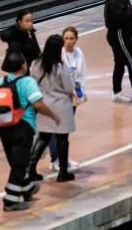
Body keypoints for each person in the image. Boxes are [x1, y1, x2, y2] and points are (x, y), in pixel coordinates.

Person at [0, 51, 60, 212]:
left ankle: (27, 188)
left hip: (3, 127)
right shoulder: (28, 82)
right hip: (22, 126)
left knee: (16, 161)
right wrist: (54, 116)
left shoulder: (1, 81)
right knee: (20, 164)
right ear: (23, 65)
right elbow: (38, 105)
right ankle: (10, 200)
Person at [27, 35, 76, 183]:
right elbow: (68, 87)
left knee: (43, 138)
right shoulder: (61, 67)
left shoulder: (35, 64)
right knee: (62, 140)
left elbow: (32, 83)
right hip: (60, 106)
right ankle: (63, 171)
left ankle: (31, 169)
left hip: (43, 105)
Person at [49, 26, 86, 172]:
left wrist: (80, 93)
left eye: (72, 38)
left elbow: (82, 74)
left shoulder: (79, 53)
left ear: (76, 39)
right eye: (66, 38)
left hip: (73, 97)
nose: (69, 41)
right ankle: (55, 159)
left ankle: (64, 157)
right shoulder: (59, 55)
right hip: (60, 98)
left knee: (66, 130)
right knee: (57, 129)